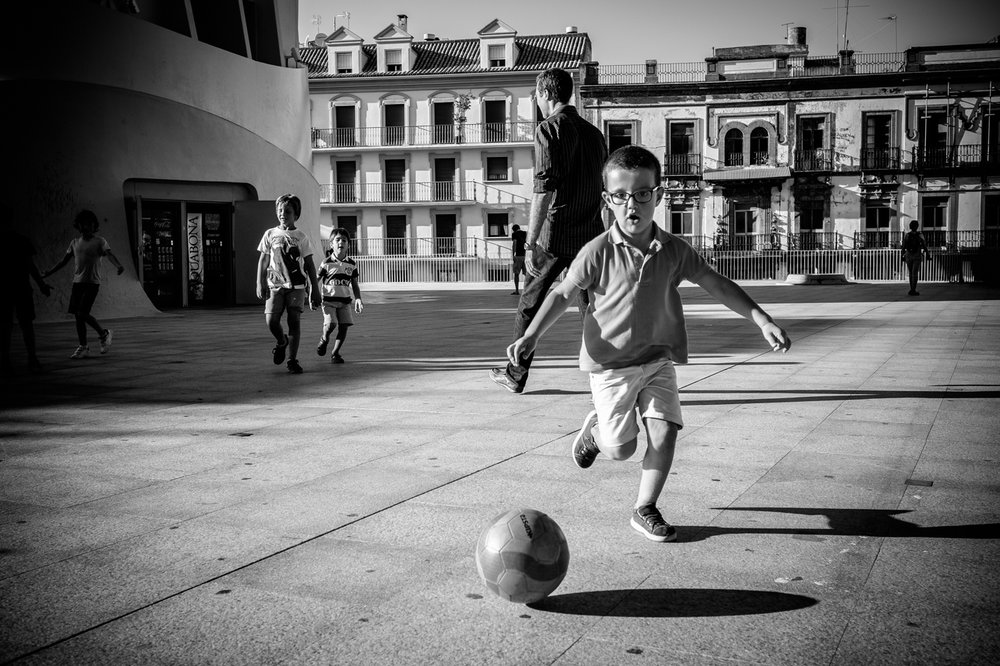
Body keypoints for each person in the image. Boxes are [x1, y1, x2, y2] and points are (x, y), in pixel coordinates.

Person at [506, 146, 792, 542]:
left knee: (665, 431)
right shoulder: (596, 251)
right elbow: (561, 294)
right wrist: (531, 335)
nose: (632, 203)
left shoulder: (674, 250)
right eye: (621, 195)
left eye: (643, 193)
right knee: (621, 450)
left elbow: (716, 283)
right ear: (608, 200)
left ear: (659, 195)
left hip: (658, 360)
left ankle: (645, 507)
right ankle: (595, 433)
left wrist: (760, 318)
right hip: (611, 366)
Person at [489, 67, 608, 393]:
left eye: (536, 95)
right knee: (591, 307)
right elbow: (603, 190)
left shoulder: (549, 129)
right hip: (590, 234)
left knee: (531, 301)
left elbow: (543, 189)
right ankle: (605, 377)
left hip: (554, 235)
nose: (537, 101)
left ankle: (516, 374)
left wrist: (529, 243)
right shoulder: (595, 134)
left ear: (546, 94)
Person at [43, 209, 125, 359]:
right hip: (78, 283)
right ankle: (83, 346)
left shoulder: (100, 241)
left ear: (94, 226)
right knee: (78, 316)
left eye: (89, 224)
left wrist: (118, 265)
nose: (86, 227)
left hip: (92, 283)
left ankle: (104, 333)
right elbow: (63, 262)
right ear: (78, 226)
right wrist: (48, 273)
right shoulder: (74, 243)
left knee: (82, 312)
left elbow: (109, 255)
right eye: (83, 224)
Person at [256, 194, 321, 374]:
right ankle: (281, 341)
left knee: (294, 322)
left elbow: (309, 265)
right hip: (275, 285)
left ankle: (292, 360)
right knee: (271, 320)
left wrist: (315, 290)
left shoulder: (301, 237)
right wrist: (259, 283)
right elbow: (263, 260)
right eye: (280, 210)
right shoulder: (270, 234)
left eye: (287, 211)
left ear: (296, 214)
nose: (282, 214)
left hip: (297, 287)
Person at [1, 204, 52, 373]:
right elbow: (31, 266)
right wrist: (42, 285)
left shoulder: (20, 241)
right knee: (26, 324)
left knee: (5, 325)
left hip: (5, 289)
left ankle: (6, 361)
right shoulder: (22, 240)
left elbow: (30, 266)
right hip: (22, 287)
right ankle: (32, 358)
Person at [316, 228, 363, 363]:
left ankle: (335, 353)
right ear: (331, 244)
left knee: (344, 326)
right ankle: (324, 338)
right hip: (329, 301)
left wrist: (358, 298)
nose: (341, 242)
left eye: (344, 240)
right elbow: (316, 280)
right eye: (337, 240)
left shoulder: (352, 264)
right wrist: (312, 294)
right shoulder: (326, 263)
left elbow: (354, 284)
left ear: (348, 244)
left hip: (344, 302)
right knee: (331, 324)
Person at [901, 220, 930, 296]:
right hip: (917, 255)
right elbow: (924, 245)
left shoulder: (907, 235)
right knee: (915, 273)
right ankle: (914, 289)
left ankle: (911, 289)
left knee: (910, 273)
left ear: (910, 227)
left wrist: (902, 255)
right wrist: (927, 254)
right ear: (917, 226)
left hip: (908, 255)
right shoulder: (920, 235)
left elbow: (903, 246)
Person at [509, 224, 527, 295]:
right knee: (527, 274)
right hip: (525, 255)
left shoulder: (514, 234)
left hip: (518, 256)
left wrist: (513, 254)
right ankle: (528, 290)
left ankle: (517, 290)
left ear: (514, 229)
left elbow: (515, 243)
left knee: (516, 274)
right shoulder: (525, 233)